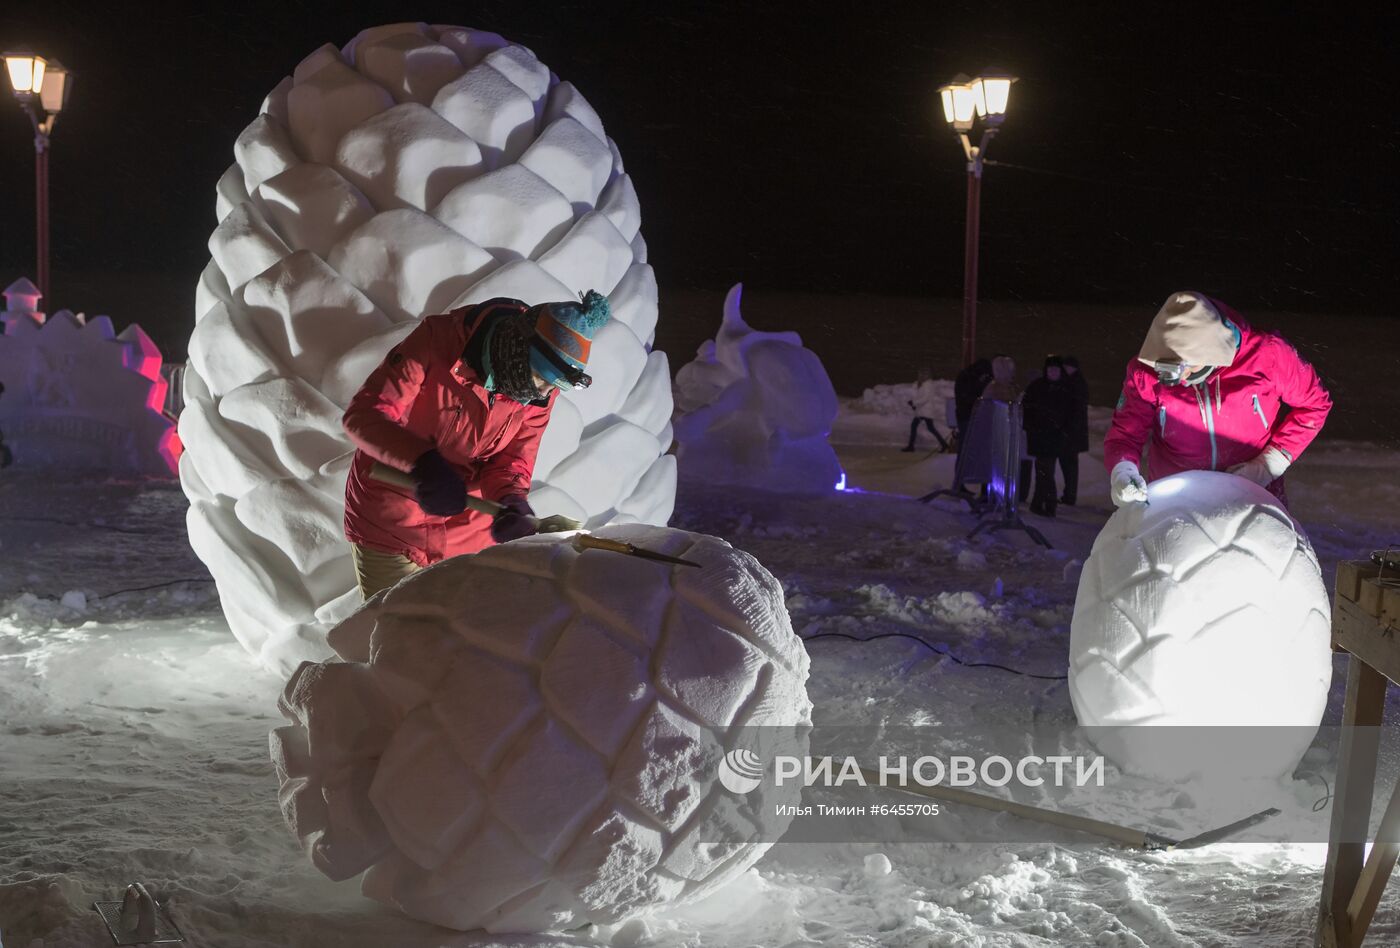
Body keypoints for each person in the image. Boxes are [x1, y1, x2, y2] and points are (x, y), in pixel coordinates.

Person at [341, 290, 612, 599]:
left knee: (454, 641)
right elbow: (364, 416)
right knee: (392, 636)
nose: (542, 393)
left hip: (467, 534)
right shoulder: (436, 342)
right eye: (540, 378)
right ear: (517, 347)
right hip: (394, 523)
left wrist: (511, 500)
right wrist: (423, 463)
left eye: (553, 387)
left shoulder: (540, 392)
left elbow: (513, 459)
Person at [1104, 291, 1331, 509]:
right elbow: (1126, 434)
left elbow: (1315, 405)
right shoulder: (1146, 372)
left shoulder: (1268, 356)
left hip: (1254, 496)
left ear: (1210, 351)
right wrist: (1123, 471)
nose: (1177, 378)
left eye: (1184, 366)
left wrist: (1267, 465)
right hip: (1177, 501)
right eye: (1166, 366)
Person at [1022, 356, 1074, 517]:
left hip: (1054, 439)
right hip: (1039, 438)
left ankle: (1045, 504)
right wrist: (1032, 427)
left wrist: (1061, 430)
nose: (1052, 372)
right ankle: (1042, 504)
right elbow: (1027, 409)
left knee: (1045, 472)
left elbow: (1070, 415)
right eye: (1050, 370)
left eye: (1055, 370)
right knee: (1043, 471)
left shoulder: (1064, 390)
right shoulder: (1037, 387)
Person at [1058, 355, 1089, 505]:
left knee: (1069, 465)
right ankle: (1069, 495)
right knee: (1070, 465)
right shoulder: (1077, 382)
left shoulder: (1074, 383)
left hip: (1070, 433)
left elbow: (1073, 409)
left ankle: (1069, 496)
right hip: (1072, 433)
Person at [903, 366, 950, 452]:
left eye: (921, 374)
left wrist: (914, 403)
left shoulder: (928, 385)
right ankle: (944, 444)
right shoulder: (924, 384)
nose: (919, 376)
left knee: (924, 427)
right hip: (922, 410)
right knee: (926, 427)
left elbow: (925, 398)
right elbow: (919, 393)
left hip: (925, 411)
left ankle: (911, 446)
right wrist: (914, 402)